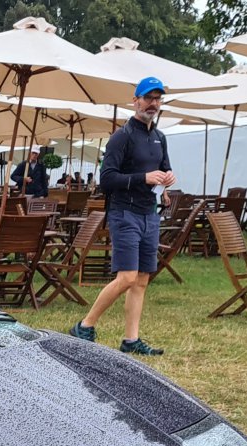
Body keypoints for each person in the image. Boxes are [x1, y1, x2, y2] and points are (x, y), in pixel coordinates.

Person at [70, 77, 174, 356]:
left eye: (157, 99)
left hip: (149, 213)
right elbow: (106, 179)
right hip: (124, 213)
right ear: (135, 101)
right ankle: (84, 325)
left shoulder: (160, 137)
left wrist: (166, 180)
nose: (153, 103)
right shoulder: (122, 136)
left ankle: (131, 340)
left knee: (141, 280)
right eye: (148, 98)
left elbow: (163, 169)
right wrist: (143, 177)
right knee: (127, 277)